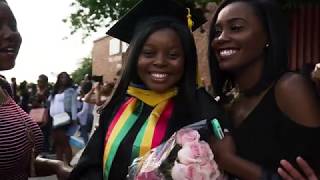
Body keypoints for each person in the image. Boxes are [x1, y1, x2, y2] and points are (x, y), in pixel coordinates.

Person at [68, 0, 227, 179]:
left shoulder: (203, 111)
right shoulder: (117, 105)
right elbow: (89, 166)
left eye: (173, 55)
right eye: (148, 53)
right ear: (135, 57)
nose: (160, 62)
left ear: (187, 59)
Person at [208, 0, 320, 178]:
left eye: (236, 28)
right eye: (217, 32)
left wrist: (229, 161)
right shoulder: (226, 103)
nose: (220, 39)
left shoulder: (289, 88)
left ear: (268, 35)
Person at [0, 0, 70, 179]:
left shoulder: (4, 87)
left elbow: (14, 164)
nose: (12, 34)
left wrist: (56, 166)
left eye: (13, 25)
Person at [49, 72, 78, 166]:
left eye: (65, 77)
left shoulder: (71, 90)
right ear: (59, 79)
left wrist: (74, 118)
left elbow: (74, 104)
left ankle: (68, 164)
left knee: (64, 141)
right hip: (55, 118)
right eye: (61, 77)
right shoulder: (55, 90)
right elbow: (51, 103)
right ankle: (59, 164)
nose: (63, 79)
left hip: (65, 117)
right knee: (57, 142)